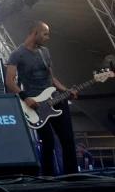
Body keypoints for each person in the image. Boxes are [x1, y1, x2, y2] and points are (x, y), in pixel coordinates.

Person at [6, 21, 78, 175]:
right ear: (35, 33)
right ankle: (48, 178)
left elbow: (52, 78)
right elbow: (9, 81)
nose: (48, 37)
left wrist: (67, 91)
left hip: (56, 100)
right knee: (48, 142)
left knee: (68, 141)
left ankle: (73, 176)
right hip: (36, 104)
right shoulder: (17, 54)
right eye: (45, 34)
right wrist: (26, 98)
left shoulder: (45, 52)